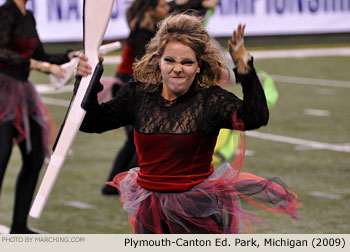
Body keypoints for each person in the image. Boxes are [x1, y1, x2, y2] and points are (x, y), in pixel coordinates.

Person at [78, 13, 300, 234]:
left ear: (199, 66)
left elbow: (255, 117)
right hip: (150, 208)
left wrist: (244, 66)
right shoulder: (138, 94)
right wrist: (88, 77)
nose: (177, 68)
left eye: (187, 62)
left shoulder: (210, 100)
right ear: (158, 61)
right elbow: (91, 122)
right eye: (169, 60)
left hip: (197, 210)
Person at [102, 0, 219, 195]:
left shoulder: (149, 27)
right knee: (142, 141)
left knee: (133, 141)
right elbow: (147, 66)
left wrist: (198, 5)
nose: (167, 9)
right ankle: (128, 184)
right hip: (128, 84)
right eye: (163, 6)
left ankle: (112, 185)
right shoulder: (142, 31)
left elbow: (180, 9)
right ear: (151, 9)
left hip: (132, 82)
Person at [0, 0, 75, 234]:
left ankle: (19, 226)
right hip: (2, 91)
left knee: (34, 157)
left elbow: (40, 54)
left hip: (23, 92)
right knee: (1, 158)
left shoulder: (28, 15)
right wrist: (33, 64)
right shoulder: (6, 12)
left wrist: (69, 55)